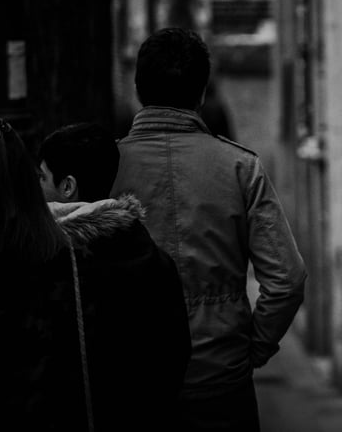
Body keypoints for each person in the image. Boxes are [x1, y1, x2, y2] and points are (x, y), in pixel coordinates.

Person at [110, 27, 307, 432]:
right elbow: (287, 280)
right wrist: (254, 348)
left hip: (131, 374)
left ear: (138, 89)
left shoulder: (105, 166)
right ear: (201, 93)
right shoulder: (240, 167)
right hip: (221, 374)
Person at [38, 121, 192, 431]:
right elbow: (175, 356)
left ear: (67, 187)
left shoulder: (51, 265)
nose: (34, 187)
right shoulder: (154, 259)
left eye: (41, 177)